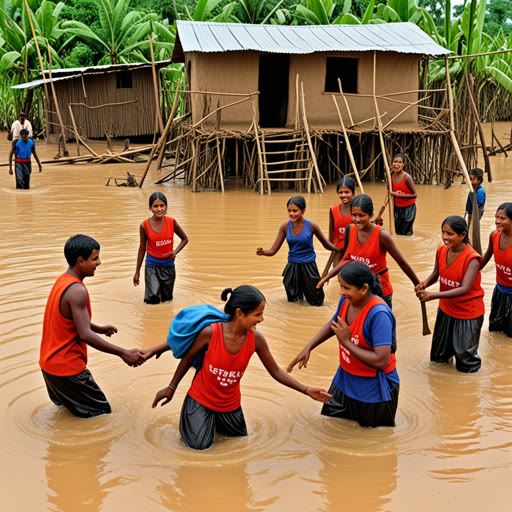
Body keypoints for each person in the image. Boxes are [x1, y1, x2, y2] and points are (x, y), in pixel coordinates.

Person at [147, 285, 331, 450]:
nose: (262, 319)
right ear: (240, 313)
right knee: (198, 449)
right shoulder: (210, 333)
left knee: (239, 445)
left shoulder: (256, 340)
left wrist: (306, 390)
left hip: (230, 404)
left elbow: (275, 372)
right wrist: (170, 388)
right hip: (201, 400)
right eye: (257, 315)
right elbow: (187, 359)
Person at [39, 234, 146, 418]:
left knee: (69, 416)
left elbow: (68, 320)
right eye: (95, 258)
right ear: (81, 261)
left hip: (49, 367)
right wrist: (123, 353)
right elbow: (84, 335)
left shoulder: (62, 281)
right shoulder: (77, 290)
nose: (99, 262)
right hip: (68, 370)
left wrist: (97, 328)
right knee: (101, 416)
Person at [288, 261, 399, 428]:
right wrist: (309, 347)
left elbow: (381, 361)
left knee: (372, 439)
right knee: (330, 423)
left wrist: (346, 342)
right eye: (341, 286)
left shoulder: (379, 315)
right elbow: (334, 323)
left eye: (346, 288)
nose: (341, 292)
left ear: (363, 289)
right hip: (345, 378)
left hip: (373, 387)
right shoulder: (346, 301)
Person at [318, 194, 419, 309]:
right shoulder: (350, 229)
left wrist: (418, 285)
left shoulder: (382, 235)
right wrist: (327, 277)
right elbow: (347, 259)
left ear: (371, 216)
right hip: (358, 289)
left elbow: (402, 262)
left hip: (380, 290)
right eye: (354, 215)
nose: (357, 219)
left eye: (362, 215)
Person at [415, 216, 484, 373]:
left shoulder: (472, 258)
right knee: (439, 358)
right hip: (446, 309)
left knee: (466, 362)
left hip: (468, 313)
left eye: (450, 234)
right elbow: (436, 273)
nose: (445, 237)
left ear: (462, 235)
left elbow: (464, 288)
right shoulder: (441, 250)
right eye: (443, 232)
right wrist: (424, 284)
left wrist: (433, 295)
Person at [256, 195, 342, 306]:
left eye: (295, 211)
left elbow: (326, 244)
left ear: (303, 211)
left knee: (317, 300)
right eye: (289, 211)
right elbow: (273, 250)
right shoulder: (284, 227)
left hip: (309, 266)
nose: (292, 214)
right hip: (292, 267)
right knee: (294, 301)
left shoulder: (312, 226)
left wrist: (340, 249)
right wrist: (263, 252)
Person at [133, 192, 189, 304]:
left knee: (167, 300)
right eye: (155, 206)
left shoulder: (172, 222)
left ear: (166, 207)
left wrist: (175, 252)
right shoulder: (144, 225)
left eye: (162, 205)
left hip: (168, 266)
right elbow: (142, 248)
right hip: (152, 267)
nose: (159, 209)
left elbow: (185, 239)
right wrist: (137, 272)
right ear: (150, 208)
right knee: (152, 298)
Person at [481, 203, 512, 337]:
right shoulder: (494, 236)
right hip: (499, 291)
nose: (497, 221)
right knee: (495, 330)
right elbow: (484, 259)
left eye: (502, 218)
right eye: (496, 217)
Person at [329, 177, 356, 267]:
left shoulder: (358, 211)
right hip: (338, 253)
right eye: (340, 192)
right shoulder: (333, 209)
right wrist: (331, 248)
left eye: (347, 192)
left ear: (353, 193)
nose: (343, 195)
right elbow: (331, 232)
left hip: (353, 252)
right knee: (340, 278)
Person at [390, 154, 417, 236]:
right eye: (395, 162)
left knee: (406, 233)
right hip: (397, 208)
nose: (397, 164)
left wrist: (400, 195)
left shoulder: (407, 177)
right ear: (392, 163)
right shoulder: (391, 176)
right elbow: (390, 190)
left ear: (403, 164)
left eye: (400, 162)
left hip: (409, 208)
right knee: (397, 232)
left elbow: (415, 195)